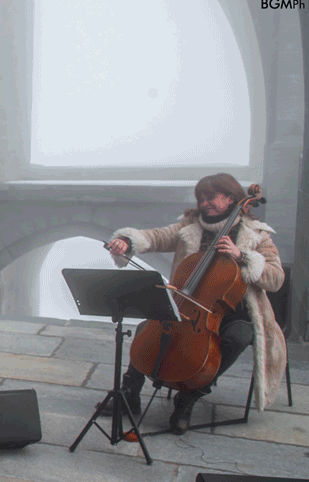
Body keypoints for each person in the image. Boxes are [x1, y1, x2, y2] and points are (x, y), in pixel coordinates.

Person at [104, 173, 286, 434]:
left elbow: (276, 277)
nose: (204, 203)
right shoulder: (190, 227)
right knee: (150, 326)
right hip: (188, 303)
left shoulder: (256, 234)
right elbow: (155, 237)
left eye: (211, 197)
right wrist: (127, 241)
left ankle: (188, 398)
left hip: (235, 310)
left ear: (231, 198)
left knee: (238, 337)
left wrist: (243, 256)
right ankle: (130, 393)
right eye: (200, 198)